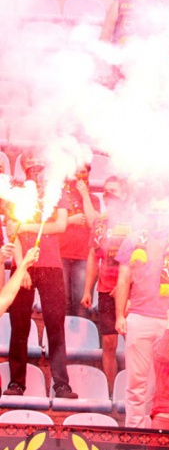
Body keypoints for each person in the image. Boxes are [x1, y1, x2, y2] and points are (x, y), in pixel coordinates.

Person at [115, 188, 169, 427]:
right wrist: (119, 316)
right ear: (148, 213)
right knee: (136, 381)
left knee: (165, 382)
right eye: (155, 211)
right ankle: (135, 431)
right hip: (139, 315)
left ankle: (158, 430)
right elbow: (123, 279)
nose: (159, 216)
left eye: (164, 211)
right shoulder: (133, 239)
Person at [6, 157, 75, 399]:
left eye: (39, 168)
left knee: (55, 325)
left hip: (51, 266)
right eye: (31, 168)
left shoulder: (56, 192)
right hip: (23, 266)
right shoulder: (16, 193)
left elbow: (61, 225)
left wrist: (29, 228)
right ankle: (16, 383)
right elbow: (12, 231)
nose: (35, 172)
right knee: (19, 326)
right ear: (25, 170)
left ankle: (61, 384)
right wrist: (21, 268)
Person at [81, 176, 131, 389]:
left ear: (124, 194)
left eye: (114, 191)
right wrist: (87, 290)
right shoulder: (100, 222)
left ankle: (132, 392)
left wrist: (126, 286)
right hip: (105, 289)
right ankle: (111, 392)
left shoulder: (135, 222)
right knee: (109, 344)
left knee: (133, 345)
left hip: (131, 292)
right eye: (106, 191)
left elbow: (142, 260)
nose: (109, 195)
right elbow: (93, 256)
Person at [60, 166, 99, 319]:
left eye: (83, 172)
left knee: (81, 304)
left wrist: (84, 195)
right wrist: (70, 220)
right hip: (61, 254)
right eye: (76, 171)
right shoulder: (60, 196)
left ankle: (81, 335)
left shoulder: (93, 199)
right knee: (63, 304)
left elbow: (93, 222)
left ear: (88, 174)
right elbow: (51, 224)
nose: (79, 175)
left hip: (83, 257)